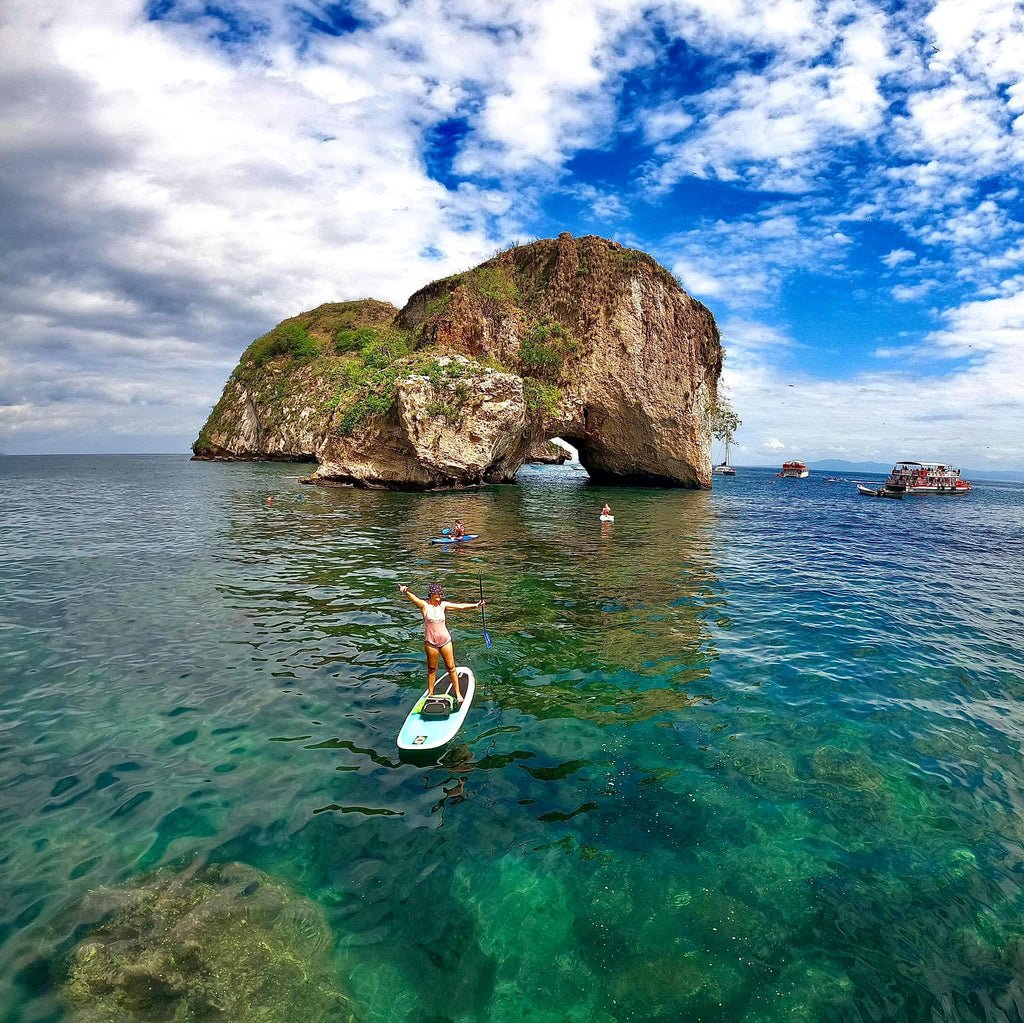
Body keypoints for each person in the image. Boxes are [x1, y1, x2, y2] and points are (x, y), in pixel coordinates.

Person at [397, 582, 484, 704]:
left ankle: (458, 693)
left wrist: (476, 605)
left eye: (440, 593)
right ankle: (430, 693)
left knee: (451, 668)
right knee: (432, 669)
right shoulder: (424, 605)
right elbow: (413, 598)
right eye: (437, 593)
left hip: (445, 641)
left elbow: (461, 606)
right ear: (431, 594)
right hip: (431, 642)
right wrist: (405, 591)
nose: (439, 596)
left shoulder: (443, 605)